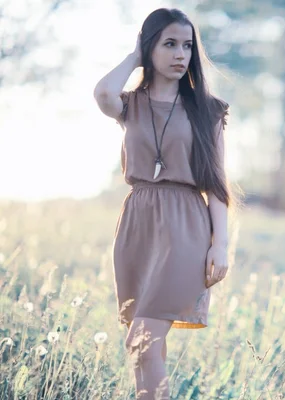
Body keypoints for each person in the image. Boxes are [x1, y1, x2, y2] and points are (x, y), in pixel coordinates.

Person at [93, 8, 231, 399]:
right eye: (169, 44)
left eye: (187, 46)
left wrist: (220, 244)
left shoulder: (208, 110)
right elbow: (102, 93)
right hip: (137, 225)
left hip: (185, 226)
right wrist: (134, 56)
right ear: (149, 45)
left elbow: (217, 184)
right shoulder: (129, 105)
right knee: (146, 349)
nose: (180, 54)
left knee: (142, 340)